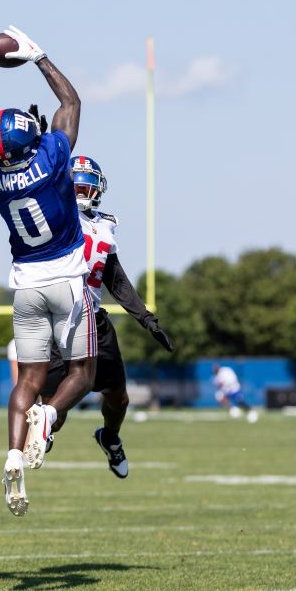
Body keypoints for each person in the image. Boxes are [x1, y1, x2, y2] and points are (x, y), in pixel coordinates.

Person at [0, 26, 95, 516]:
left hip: (24, 285)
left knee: (27, 377)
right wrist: (39, 57)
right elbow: (71, 102)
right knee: (84, 373)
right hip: (66, 278)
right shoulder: (51, 158)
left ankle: (11, 453)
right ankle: (49, 416)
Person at [31, 155, 175, 478]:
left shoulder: (104, 226)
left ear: (98, 190)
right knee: (57, 403)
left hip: (95, 320)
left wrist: (146, 319)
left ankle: (109, 438)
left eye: (87, 186)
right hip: (59, 320)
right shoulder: (56, 214)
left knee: (118, 399)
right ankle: (44, 432)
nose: (81, 192)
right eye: (76, 185)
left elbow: (116, 279)